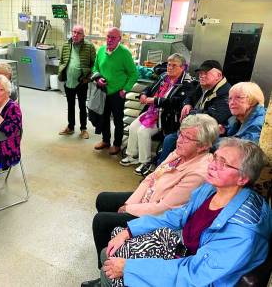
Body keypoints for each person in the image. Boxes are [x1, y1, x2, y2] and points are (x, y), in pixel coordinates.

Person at [101, 138, 272, 287]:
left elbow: (195, 275)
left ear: (243, 178)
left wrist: (129, 268)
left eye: (223, 163)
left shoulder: (243, 230)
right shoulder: (211, 188)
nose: (212, 165)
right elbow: (177, 215)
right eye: (215, 158)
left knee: (111, 266)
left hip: (198, 277)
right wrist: (129, 230)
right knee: (114, 244)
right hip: (183, 250)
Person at [81, 114, 220, 287]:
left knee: (101, 221)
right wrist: (130, 204)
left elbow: (164, 207)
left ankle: (106, 271)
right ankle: (108, 266)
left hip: (158, 212)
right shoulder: (179, 153)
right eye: (180, 134)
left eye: (187, 138)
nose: (180, 140)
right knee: (103, 199)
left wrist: (131, 209)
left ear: (203, 146)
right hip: (150, 196)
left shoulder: (198, 172)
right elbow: (151, 178)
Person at [120, 53, 192, 175]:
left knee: (143, 132)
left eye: (174, 65)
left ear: (182, 67)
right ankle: (131, 155)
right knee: (133, 127)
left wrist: (155, 100)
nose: (170, 67)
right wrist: (143, 94)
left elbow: (176, 102)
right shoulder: (164, 76)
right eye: (169, 65)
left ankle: (145, 162)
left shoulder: (187, 83)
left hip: (166, 117)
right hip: (151, 111)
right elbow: (150, 88)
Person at [158, 59, 232, 164]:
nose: (201, 76)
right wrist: (187, 104)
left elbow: (212, 117)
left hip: (206, 136)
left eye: (206, 73)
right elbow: (189, 97)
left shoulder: (226, 93)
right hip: (193, 129)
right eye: (200, 73)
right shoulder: (203, 86)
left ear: (218, 76)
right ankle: (161, 169)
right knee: (169, 139)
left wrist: (191, 113)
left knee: (171, 140)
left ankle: (164, 170)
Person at [93, 27, 138, 155]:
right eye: (108, 36)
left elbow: (134, 74)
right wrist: (98, 78)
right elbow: (95, 67)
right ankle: (105, 140)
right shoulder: (101, 50)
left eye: (113, 37)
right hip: (103, 91)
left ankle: (117, 144)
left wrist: (125, 89)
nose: (109, 40)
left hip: (117, 93)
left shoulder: (124, 53)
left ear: (119, 39)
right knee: (104, 117)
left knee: (118, 120)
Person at [58, 25, 96, 139]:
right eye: (74, 32)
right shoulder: (66, 45)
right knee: (70, 105)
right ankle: (70, 127)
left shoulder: (89, 46)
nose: (75, 35)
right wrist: (61, 72)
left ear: (83, 35)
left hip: (81, 82)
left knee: (82, 106)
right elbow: (62, 61)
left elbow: (94, 64)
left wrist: (88, 78)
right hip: (69, 81)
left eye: (79, 33)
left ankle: (83, 129)